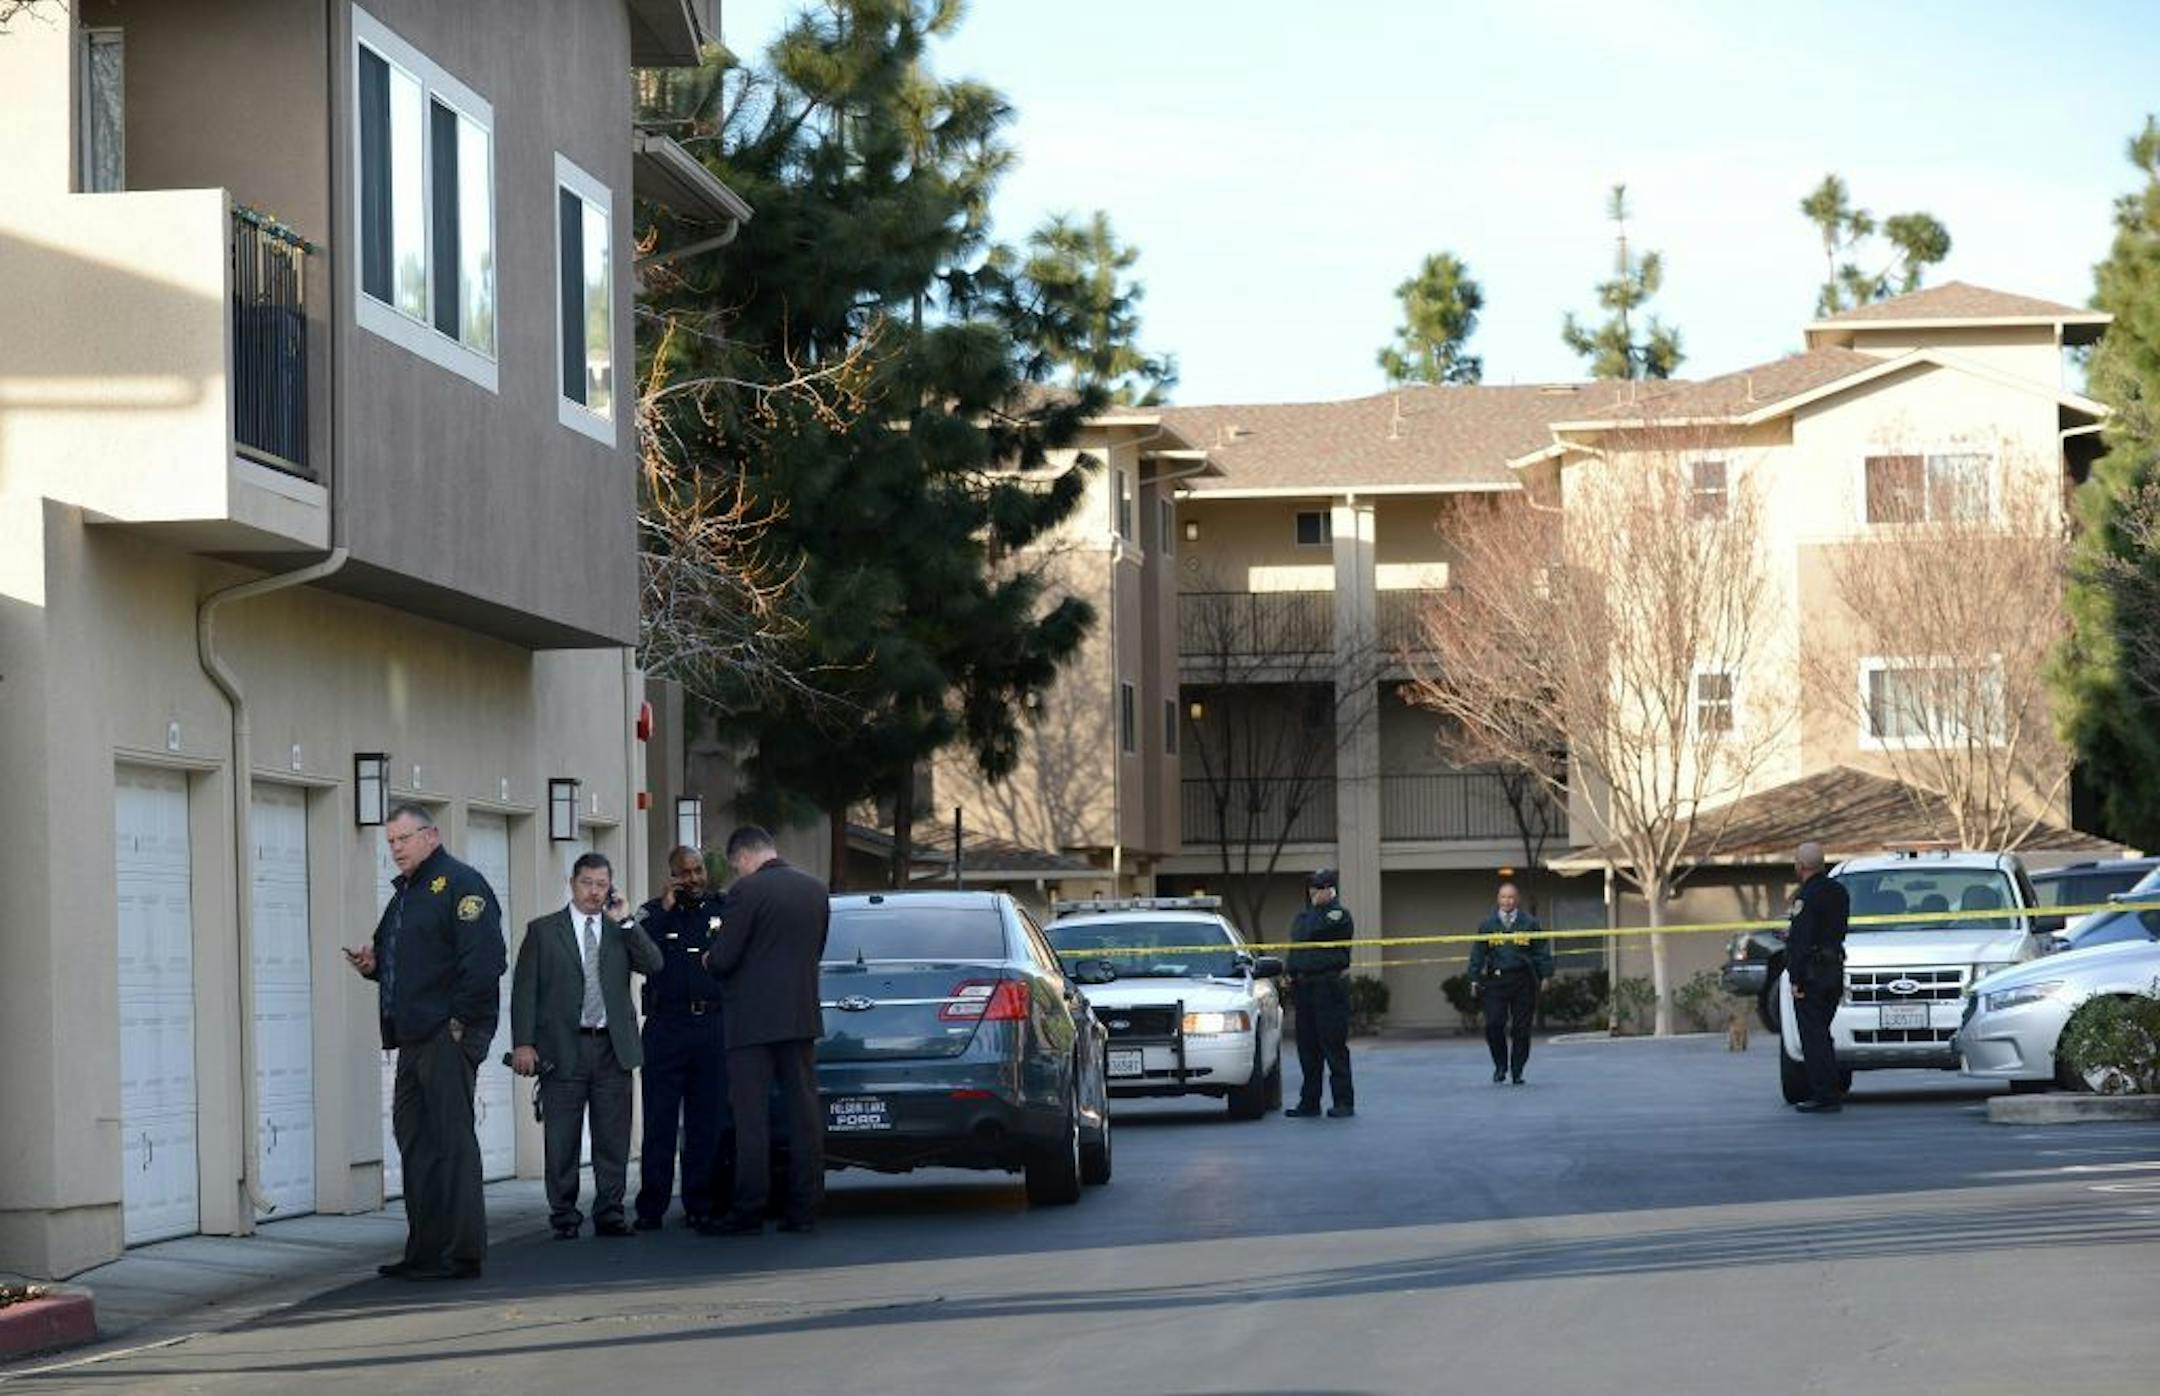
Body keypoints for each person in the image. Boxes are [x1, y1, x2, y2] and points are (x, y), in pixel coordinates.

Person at [343, 804, 504, 1281]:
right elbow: (400, 960)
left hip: (446, 1034)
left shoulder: (460, 884)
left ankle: (463, 1253)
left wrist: (460, 1022)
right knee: (415, 1142)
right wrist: (373, 965)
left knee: (452, 1142)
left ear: (431, 836)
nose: (395, 849)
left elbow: (485, 960)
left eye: (403, 839)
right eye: (390, 841)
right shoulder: (405, 895)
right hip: (411, 1038)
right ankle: (424, 1251)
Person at [509, 852, 663, 1238]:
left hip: (612, 1046)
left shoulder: (619, 929)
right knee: (561, 1137)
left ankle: (610, 1212)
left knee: (613, 1136)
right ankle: (563, 1215)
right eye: (587, 883)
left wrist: (627, 921)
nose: (594, 892)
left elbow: (654, 965)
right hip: (563, 1048)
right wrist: (524, 1043)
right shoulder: (544, 931)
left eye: (601, 884)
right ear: (572, 884)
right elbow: (525, 992)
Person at [701, 826, 830, 1235]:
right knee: (804, 1115)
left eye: (736, 865)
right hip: (800, 1015)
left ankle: (749, 1208)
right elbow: (817, 949)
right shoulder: (815, 890)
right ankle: (804, 1208)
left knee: (751, 1119)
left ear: (742, 857)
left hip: (752, 1022)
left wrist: (707, 959)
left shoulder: (748, 892)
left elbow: (725, 958)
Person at [633, 845, 734, 1231]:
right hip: (666, 1027)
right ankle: (651, 1207)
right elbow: (639, 952)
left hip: (711, 1025)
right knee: (658, 1120)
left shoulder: (722, 909)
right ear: (671, 875)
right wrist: (667, 908)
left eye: (697, 871)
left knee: (704, 1121)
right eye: (684, 873)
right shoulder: (654, 913)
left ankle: (700, 1203)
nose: (692, 879)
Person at [1785, 840, 1851, 1114]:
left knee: (1813, 1037)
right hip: (1833, 969)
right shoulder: (1839, 892)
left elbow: (1801, 940)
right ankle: (1831, 1088)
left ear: (1800, 866)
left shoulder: (1806, 897)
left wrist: (1796, 978)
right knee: (1821, 1033)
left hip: (1812, 974)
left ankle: (1824, 1094)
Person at [1284, 868, 1355, 1119]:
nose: (1313, 891)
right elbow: (1297, 942)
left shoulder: (1338, 915)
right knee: (1307, 1049)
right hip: (1304, 988)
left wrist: (1316, 909)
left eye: (1318, 886)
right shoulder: (1303, 916)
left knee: (1333, 1046)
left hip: (1328, 987)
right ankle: (1310, 1102)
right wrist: (1290, 971)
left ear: (1330, 889)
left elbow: (1312, 932)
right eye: (1311, 886)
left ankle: (1343, 1102)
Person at [1468, 882, 1553, 1085]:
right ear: (1498, 899)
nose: (1508, 901)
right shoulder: (1487, 925)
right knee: (1494, 1024)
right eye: (1504, 897)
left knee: (1521, 1029)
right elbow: (1477, 953)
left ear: (1518, 899)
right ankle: (1500, 1065)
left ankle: (1517, 1070)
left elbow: (1541, 951)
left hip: (1523, 980)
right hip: (1496, 981)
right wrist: (1473, 978)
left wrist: (1546, 975)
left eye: (1511, 897)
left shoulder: (1529, 923)